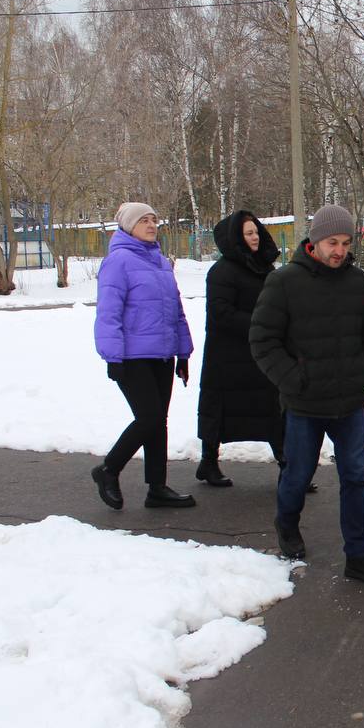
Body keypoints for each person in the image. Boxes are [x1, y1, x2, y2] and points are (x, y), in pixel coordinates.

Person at [250, 204, 364, 585]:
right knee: (297, 474)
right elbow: (263, 340)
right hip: (304, 404)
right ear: (315, 241)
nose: (339, 251)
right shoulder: (284, 282)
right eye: (332, 242)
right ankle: (287, 523)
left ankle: (358, 556)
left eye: (345, 243)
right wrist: (293, 380)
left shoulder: (357, 281)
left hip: (349, 403)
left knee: (355, 479)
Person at [92, 202, 196, 510]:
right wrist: (113, 357)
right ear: (127, 226)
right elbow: (108, 313)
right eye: (144, 220)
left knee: (157, 421)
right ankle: (108, 469)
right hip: (132, 356)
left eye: (154, 220)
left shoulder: (161, 262)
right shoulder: (118, 261)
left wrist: (183, 352)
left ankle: (157, 487)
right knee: (148, 417)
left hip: (162, 355)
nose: (152, 225)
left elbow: (176, 311)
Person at [195, 211, 283, 487]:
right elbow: (220, 313)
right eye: (248, 233)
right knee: (220, 411)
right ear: (236, 238)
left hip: (261, 354)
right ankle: (208, 462)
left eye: (256, 231)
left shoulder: (266, 268)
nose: (255, 237)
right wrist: (262, 324)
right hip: (228, 356)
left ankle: (289, 467)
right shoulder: (222, 271)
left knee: (273, 409)